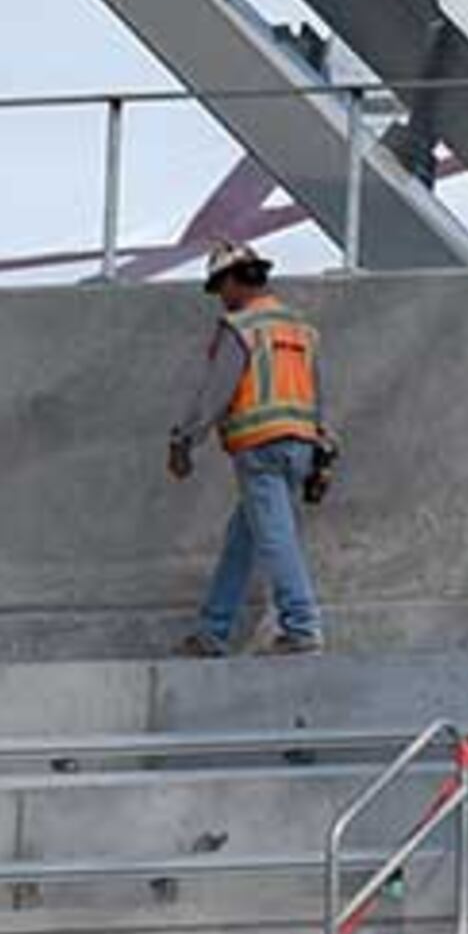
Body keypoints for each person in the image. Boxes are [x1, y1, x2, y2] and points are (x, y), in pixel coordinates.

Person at [166, 240, 335, 657]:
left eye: (220, 286)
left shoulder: (240, 327)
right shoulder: (299, 328)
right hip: (298, 446)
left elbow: (215, 394)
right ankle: (212, 631)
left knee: (276, 538)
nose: (220, 298)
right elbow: (316, 394)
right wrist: (322, 448)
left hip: (259, 449)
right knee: (242, 539)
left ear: (238, 280)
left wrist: (183, 440)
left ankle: (301, 627)